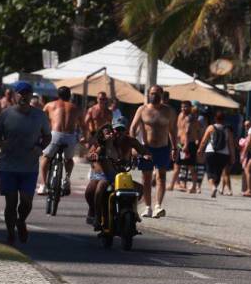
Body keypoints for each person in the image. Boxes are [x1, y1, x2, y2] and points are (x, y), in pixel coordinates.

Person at [0, 82, 51, 245]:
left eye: (27, 93)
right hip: (8, 165)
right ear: (15, 95)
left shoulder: (39, 115)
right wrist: (2, 144)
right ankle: (11, 234)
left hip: (29, 167)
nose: (24, 96)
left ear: (31, 95)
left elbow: (47, 136)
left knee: (26, 201)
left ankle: (21, 220)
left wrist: (40, 147)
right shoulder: (6, 114)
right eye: (21, 93)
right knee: (11, 203)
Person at [84, 118, 149, 227]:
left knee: (140, 189)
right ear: (112, 130)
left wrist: (146, 156)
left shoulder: (130, 141)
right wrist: (93, 156)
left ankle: (133, 211)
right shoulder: (103, 142)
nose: (119, 133)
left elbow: (143, 151)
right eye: (116, 130)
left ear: (126, 130)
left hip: (119, 174)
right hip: (101, 174)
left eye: (122, 130)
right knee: (93, 190)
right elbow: (90, 154)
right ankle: (96, 214)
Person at [131, 85, 178, 218]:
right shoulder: (142, 109)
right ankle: (147, 207)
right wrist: (134, 146)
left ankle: (158, 206)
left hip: (163, 148)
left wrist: (174, 148)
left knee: (161, 177)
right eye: (152, 93)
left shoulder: (168, 111)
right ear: (148, 94)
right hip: (147, 148)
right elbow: (132, 128)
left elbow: (172, 131)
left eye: (156, 93)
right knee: (146, 179)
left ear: (162, 95)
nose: (154, 96)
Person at [38, 86, 82, 196]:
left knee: (46, 157)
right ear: (69, 96)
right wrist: (84, 137)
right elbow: (84, 125)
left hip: (55, 135)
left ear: (58, 95)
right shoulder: (75, 107)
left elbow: (41, 120)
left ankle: (43, 185)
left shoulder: (50, 105)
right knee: (69, 159)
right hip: (70, 136)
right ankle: (66, 180)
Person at [197, 110, 236, 199]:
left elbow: (204, 141)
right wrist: (233, 157)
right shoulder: (227, 130)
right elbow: (231, 145)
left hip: (210, 151)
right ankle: (215, 186)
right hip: (223, 154)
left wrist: (200, 150)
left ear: (215, 118)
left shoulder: (211, 127)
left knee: (209, 171)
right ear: (224, 119)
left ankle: (213, 187)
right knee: (218, 173)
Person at [169, 101, 201, 194]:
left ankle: (194, 186)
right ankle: (173, 184)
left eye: (186, 107)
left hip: (188, 145)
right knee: (177, 164)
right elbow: (178, 130)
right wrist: (176, 143)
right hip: (181, 144)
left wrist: (186, 145)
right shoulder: (180, 115)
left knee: (190, 166)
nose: (184, 109)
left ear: (190, 107)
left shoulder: (190, 118)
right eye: (182, 107)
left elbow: (188, 132)